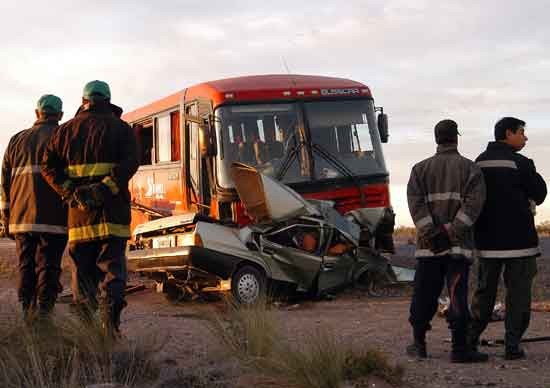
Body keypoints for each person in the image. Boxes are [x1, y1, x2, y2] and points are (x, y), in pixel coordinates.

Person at [42, 80, 138, 338]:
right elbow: (131, 162)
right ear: (107, 99)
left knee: (82, 276)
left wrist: (71, 191)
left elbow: (47, 167)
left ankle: (86, 333)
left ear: (84, 100)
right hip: (113, 215)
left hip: (80, 216)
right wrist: (105, 188)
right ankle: (111, 328)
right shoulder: (121, 129)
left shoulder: (63, 132)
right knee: (113, 272)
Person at [406, 119, 488, 363]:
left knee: (424, 295)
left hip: (428, 250)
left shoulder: (419, 169)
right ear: (456, 138)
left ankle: (419, 344)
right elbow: (474, 206)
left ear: (436, 138)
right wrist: (452, 232)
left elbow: (415, 205)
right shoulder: (471, 169)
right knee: (456, 297)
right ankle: (459, 349)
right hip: (457, 249)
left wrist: (432, 234)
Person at [467, 117, 547, 360]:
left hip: (487, 243)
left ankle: (469, 341)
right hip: (520, 243)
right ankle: (512, 346)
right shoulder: (521, 163)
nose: (525, 137)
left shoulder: (477, 163)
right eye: (522, 132)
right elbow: (540, 193)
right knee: (519, 294)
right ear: (508, 133)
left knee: (484, 293)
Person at [0, 95, 68, 321]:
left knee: (25, 266)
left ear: (37, 113)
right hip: (55, 218)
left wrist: (7, 217)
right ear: (59, 115)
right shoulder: (63, 137)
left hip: (21, 219)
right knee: (48, 267)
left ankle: (25, 311)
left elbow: (5, 184)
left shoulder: (16, 140)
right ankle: (44, 316)